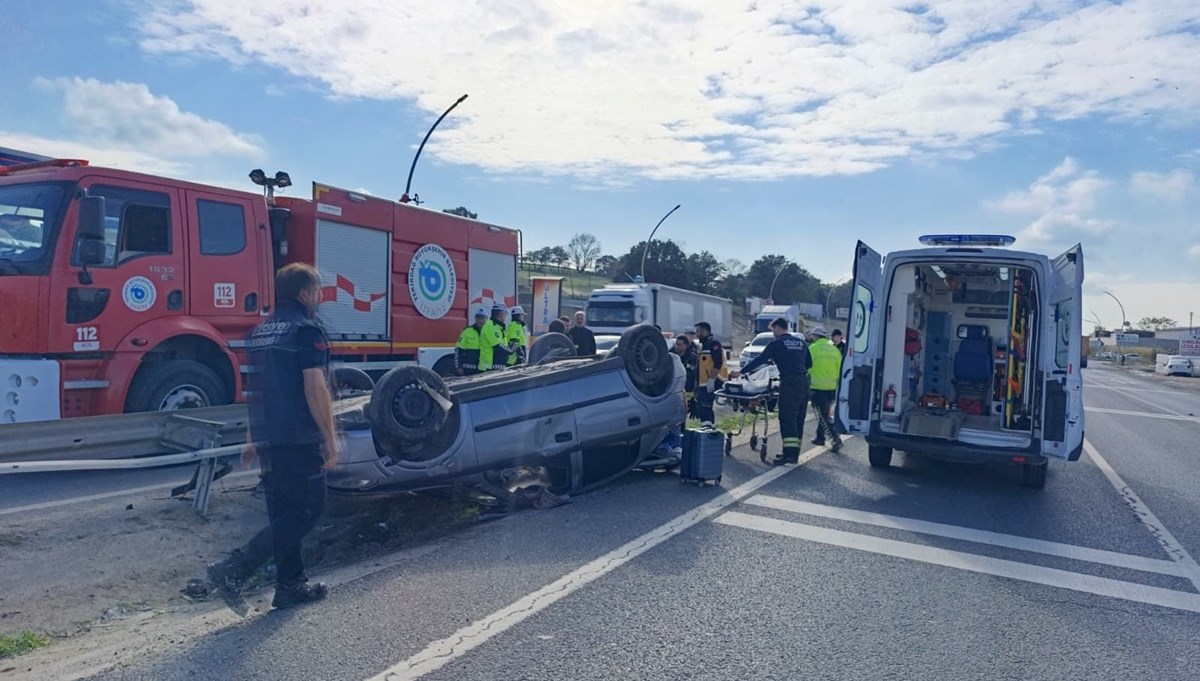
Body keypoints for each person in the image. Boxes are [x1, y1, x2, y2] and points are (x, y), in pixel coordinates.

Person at [206, 263, 338, 610]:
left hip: (270, 437)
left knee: (284, 511)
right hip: (298, 435)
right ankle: (234, 568)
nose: (320, 297)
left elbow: (259, 388)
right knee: (309, 507)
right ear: (305, 294)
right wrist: (331, 437)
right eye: (318, 290)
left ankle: (290, 585)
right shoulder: (307, 330)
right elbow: (315, 387)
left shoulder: (262, 331)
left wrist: (252, 436)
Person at [731, 317, 810, 465]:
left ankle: (789, 456)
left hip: (790, 383)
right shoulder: (801, 343)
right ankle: (794, 454)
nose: (773, 333)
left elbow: (760, 360)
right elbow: (809, 363)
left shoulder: (777, 343)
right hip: (804, 383)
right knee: (799, 417)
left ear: (778, 328)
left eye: (773, 330)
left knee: (787, 418)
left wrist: (741, 372)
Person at [807, 326, 843, 452]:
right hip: (832, 387)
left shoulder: (813, 348)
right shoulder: (834, 350)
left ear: (816, 336)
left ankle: (835, 438)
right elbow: (840, 369)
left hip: (818, 387)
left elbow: (807, 367)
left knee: (822, 416)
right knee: (824, 413)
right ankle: (820, 437)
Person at [693, 321, 728, 427]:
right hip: (703, 382)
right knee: (704, 407)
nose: (697, 334)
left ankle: (707, 429)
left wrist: (711, 380)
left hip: (711, 381)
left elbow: (718, 362)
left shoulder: (713, 343)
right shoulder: (704, 345)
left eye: (698, 331)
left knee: (705, 407)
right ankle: (709, 429)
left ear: (704, 331)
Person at [455, 307, 490, 375]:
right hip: (469, 370)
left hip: (485, 369)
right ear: (475, 319)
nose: (480, 320)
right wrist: (458, 367)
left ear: (487, 319)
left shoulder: (490, 332)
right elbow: (458, 350)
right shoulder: (467, 331)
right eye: (478, 318)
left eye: (483, 318)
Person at [673, 335, 699, 416]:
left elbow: (696, 377)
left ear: (686, 346)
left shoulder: (693, 358)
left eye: (680, 345)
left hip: (687, 392)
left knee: (684, 412)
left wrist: (694, 398)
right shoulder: (670, 356)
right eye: (676, 344)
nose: (677, 347)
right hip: (673, 391)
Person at [481, 303, 511, 371]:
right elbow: (498, 347)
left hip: (497, 366)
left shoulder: (498, 327)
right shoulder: (492, 326)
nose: (506, 316)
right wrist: (511, 350)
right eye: (506, 313)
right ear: (501, 314)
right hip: (490, 367)